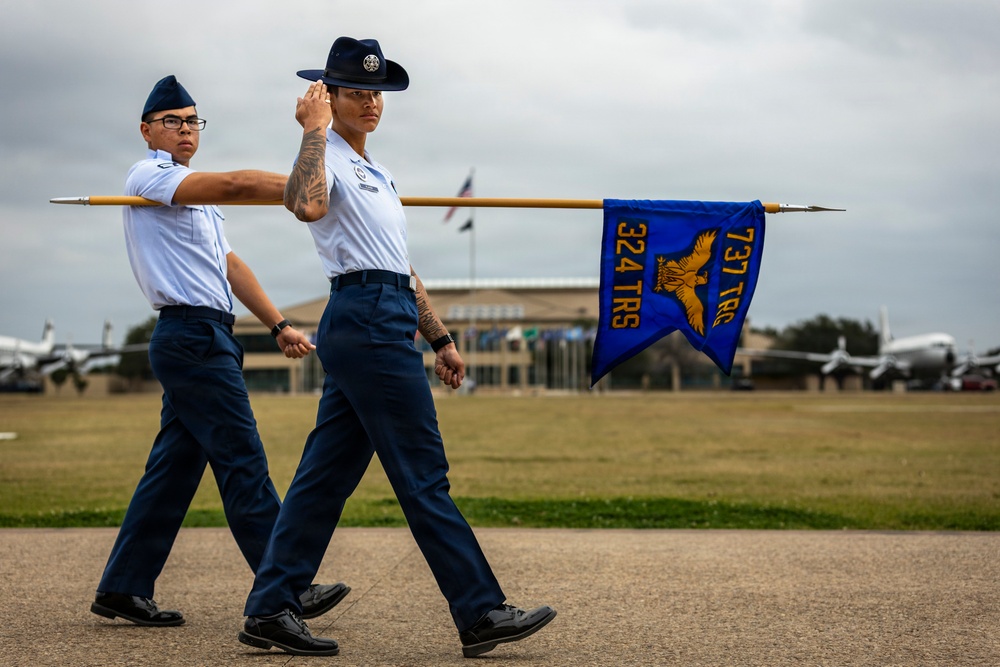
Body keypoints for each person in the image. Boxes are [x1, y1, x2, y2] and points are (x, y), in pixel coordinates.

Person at [237, 38, 556, 659]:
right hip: (360, 315)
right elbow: (304, 205)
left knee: (323, 478)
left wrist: (440, 335)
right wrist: (313, 128)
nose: (372, 102)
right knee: (421, 471)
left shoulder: (377, 172)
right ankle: (480, 610)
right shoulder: (321, 153)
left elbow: (400, 266)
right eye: (357, 91)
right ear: (328, 95)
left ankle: (272, 606)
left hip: (384, 311)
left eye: (377, 92)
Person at [91, 75, 349, 628]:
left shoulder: (195, 195)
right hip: (189, 337)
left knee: (172, 471)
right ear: (147, 131)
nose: (186, 130)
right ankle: (289, 585)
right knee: (243, 460)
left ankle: (122, 586)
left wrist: (278, 323)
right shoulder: (150, 175)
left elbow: (229, 267)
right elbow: (234, 185)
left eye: (192, 121)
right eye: (173, 122)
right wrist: (309, 181)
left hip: (209, 334)